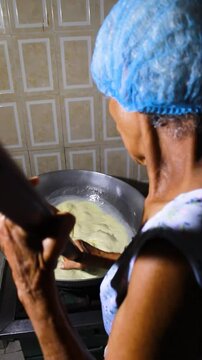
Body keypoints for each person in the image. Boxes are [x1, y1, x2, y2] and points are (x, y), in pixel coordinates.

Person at [0, 0, 202, 358]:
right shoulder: (179, 200)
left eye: (110, 94)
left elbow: (163, 280)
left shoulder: (167, 259)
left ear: (139, 104)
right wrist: (102, 257)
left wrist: (35, 290)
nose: (109, 107)